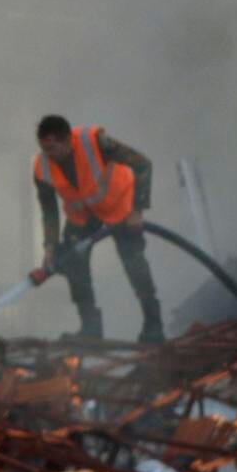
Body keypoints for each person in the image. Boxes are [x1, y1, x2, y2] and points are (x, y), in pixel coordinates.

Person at [33, 115, 164, 343]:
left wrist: (137, 210)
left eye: (53, 148)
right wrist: (50, 245)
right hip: (82, 216)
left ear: (67, 141)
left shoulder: (96, 143)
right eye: (44, 149)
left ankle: (153, 325)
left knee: (134, 264)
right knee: (74, 264)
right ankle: (90, 328)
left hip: (120, 206)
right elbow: (49, 210)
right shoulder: (41, 166)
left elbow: (143, 164)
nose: (48, 155)